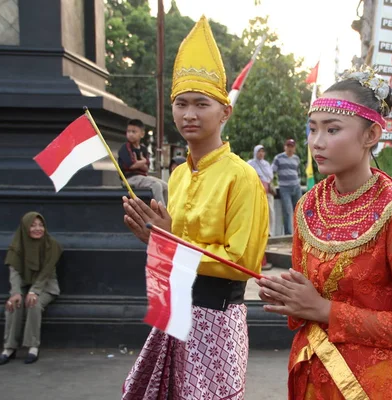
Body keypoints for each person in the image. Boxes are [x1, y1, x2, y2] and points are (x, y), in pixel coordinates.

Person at [257, 68, 392, 399]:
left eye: (333, 129)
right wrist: (288, 298)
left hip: (368, 385)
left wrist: (325, 310)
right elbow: (305, 302)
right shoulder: (308, 205)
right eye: (313, 129)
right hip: (310, 373)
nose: (317, 142)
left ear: (371, 135)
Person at [121, 16, 269, 399]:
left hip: (216, 318)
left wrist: (170, 242)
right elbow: (168, 258)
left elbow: (244, 261)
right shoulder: (177, 175)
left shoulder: (242, 177)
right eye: (181, 103)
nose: (189, 114)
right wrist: (155, 244)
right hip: (173, 311)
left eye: (201, 104)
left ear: (225, 112)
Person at [0, 212, 62, 365]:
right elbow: (15, 272)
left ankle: (33, 347)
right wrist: (16, 293)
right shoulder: (17, 246)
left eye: (41, 225)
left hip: (46, 287)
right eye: (33, 225)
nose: (38, 229)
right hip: (24, 286)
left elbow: (46, 273)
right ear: (25, 228)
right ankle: (9, 348)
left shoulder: (52, 246)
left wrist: (34, 292)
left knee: (34, 303)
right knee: (14, 304)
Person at [118, 119, 169, 205]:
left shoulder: (143, 148)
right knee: (156, 185)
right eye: (128, 131)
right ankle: (161, 211)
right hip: (129, 179)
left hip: (142, 177)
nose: (130, 134)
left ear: (142, 134)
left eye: (134, 132)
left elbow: (146, 168)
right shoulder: (125, 147)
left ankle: (169, 209)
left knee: (165, 186)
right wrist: (143, 161)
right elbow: (131, 165)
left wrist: (140, 162)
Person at [272, 138, 302, 235]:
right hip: (285, 188)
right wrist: (272, 183)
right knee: (288, 211)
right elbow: (272, 172)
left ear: (294, 148)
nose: (290, 148)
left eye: (292, 147)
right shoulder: (278, 158)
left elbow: (298, 172)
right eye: (288, 146)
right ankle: (288, 234)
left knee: (299, 210)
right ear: (285, 147)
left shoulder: (296, 158)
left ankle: (299, 233)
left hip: (296, 187)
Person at [248, 144, 276, 237]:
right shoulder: (250, 163)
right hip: (256, 191)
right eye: (259, 151)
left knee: (270, 210)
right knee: (257, 211)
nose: (261, 153)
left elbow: (270, 176)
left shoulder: (266, 164)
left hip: (267, 190)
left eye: (262, 151)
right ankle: (257, 231)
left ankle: (270, 231)